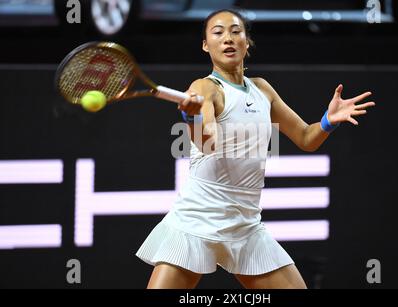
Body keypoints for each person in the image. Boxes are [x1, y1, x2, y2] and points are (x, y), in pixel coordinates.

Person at [136, 9, 375, 289]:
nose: (228, 38)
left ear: (247, 42)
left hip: (246, 225)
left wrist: (327, 121)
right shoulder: (205, 87)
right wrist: (193, 117)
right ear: (205, 45)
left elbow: (306, 138)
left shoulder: (262, 90)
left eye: (236, 31)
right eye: (218, 32)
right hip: (197, 220)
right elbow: (206, 143)